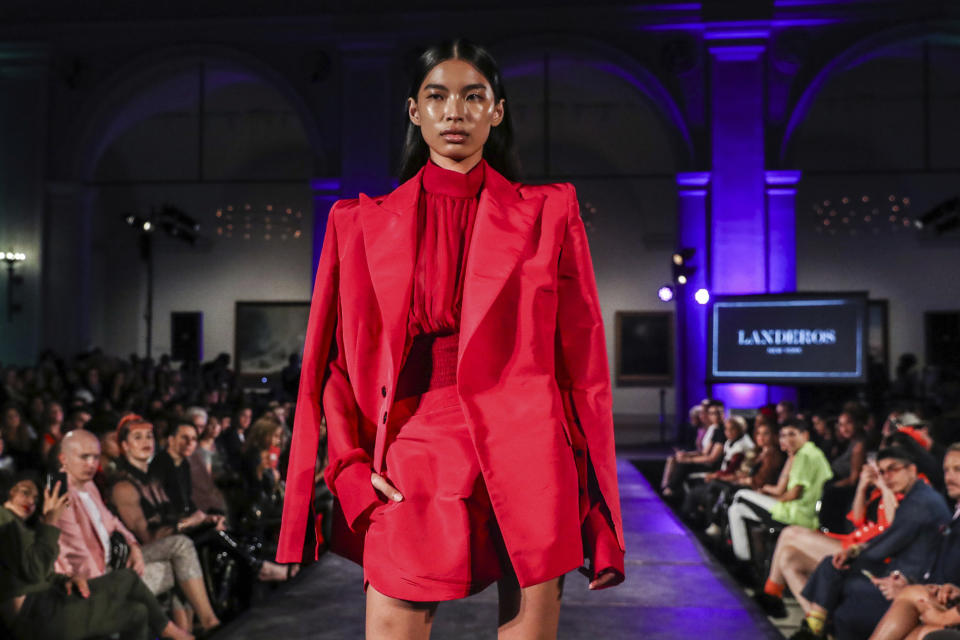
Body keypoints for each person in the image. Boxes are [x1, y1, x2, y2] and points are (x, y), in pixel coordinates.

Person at [276, 38, 625, 640]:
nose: (454, 112)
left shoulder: (549, 213)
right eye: (437, 97)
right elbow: (331, 365)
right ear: (415, 111)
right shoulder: (357, 224)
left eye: (473, 96)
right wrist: (350, 468)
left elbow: (583, 364)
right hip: (416, 445)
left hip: (532, 445)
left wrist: (594, 498)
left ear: (498, 110)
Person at [0, 473, 193, 640]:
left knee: (137, 613)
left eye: (35, 497)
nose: (31, 501)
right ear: (8, 491)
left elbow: (40, 571)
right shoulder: (4, 519)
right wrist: (51, 520)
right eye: (24, 492)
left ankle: (169, 630)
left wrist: (67, 579)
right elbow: (35, 571)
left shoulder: (23, 528)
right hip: (33, 614)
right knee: (128, 578)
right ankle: (169, 631)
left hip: (48, 601)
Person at [792, 447, 951, 640]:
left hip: (909, 579)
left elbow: (890, 541)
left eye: (893, 469)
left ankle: (815, 628)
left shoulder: (921, 502)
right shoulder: (916, 496)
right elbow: (861, 524)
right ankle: (814, 628)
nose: (887, 477)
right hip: (900, 572)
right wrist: (855, 551)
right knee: (831, 565)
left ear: (912, 469)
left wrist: (856, 554)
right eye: (882, 472)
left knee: (839, 581)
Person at [109, 416, 223, 633]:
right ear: (124, 446)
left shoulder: (152, 479)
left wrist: (202, 521)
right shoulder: (124, 486)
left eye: (149, 436)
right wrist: (187, 524)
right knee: (181, 544)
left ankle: (186, 630)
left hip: (163, 542)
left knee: (197, 541)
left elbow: (171, 519)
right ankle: (210, 622)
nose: (146, 442)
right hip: (137, 554)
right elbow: (146, 537)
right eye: (138, 437)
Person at [757, 456, 904, 617]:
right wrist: (862, 486)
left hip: (870, 555)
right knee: (788, 557)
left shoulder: (903, 493)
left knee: (790, 533)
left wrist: (885, 487)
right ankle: (817, 623)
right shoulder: (877, 492)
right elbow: (857, 518)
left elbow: (895, 526)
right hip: (855, 541)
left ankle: (771, 594)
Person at [867, 444, 960, 640]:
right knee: (916, 629)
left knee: (912, 600)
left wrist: (945, 617)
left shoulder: (924, 501)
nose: (949, 477)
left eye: (958, 470)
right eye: (946, 470)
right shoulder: (954, 514)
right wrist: (950, 589)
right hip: (944, 594)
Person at [727, 419, 833, 563]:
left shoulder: (805, 455)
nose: (787, 439)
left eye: (792, 434)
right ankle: (744, 559)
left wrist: (774, 499)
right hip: (797, 510)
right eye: (783, 435)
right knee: (736, 509)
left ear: (805, 435)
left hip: (796, 514)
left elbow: (795, 493)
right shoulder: (807, 453)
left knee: (740, 495)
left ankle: (743, 560)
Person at [661, 401, 726, 497]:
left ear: (723, 414)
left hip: (713, 466)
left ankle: (671, 489)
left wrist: (689, 459)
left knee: (684, 464)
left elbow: (712, 458)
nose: (715, 416)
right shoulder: (715, 429)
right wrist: (687, 455)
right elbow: (704, 452)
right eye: (711, 413)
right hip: (706, 461)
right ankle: (668, 487)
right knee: (677, 460)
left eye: (717, 413)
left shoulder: (721, 431)